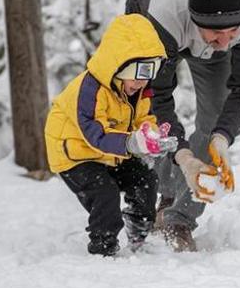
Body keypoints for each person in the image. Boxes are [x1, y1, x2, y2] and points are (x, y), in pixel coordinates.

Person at [125, 0, 240, 252]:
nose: (227, 44)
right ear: (195, 23)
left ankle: (180, 218)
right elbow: (157, 98)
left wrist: (222, 137)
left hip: (195, 29)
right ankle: (165, 193)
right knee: (150, 116)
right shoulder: (161, 23)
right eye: (218, 34)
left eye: (233, 33)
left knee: (217, 116)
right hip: (153, 19)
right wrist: (184, 157)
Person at [44, 14, 177, 256]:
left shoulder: (139, 89)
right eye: (138, 73)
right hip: (76, 154)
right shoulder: (89, 89)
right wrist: (131, 142)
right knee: (105, 194)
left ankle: (138, 234)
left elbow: (143, 119)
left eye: (150, 72)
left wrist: (150, 135)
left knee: (145, 181)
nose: (142, 82)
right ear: (118, 66)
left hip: (112, 151)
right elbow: (95, 133)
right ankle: (103, 249)